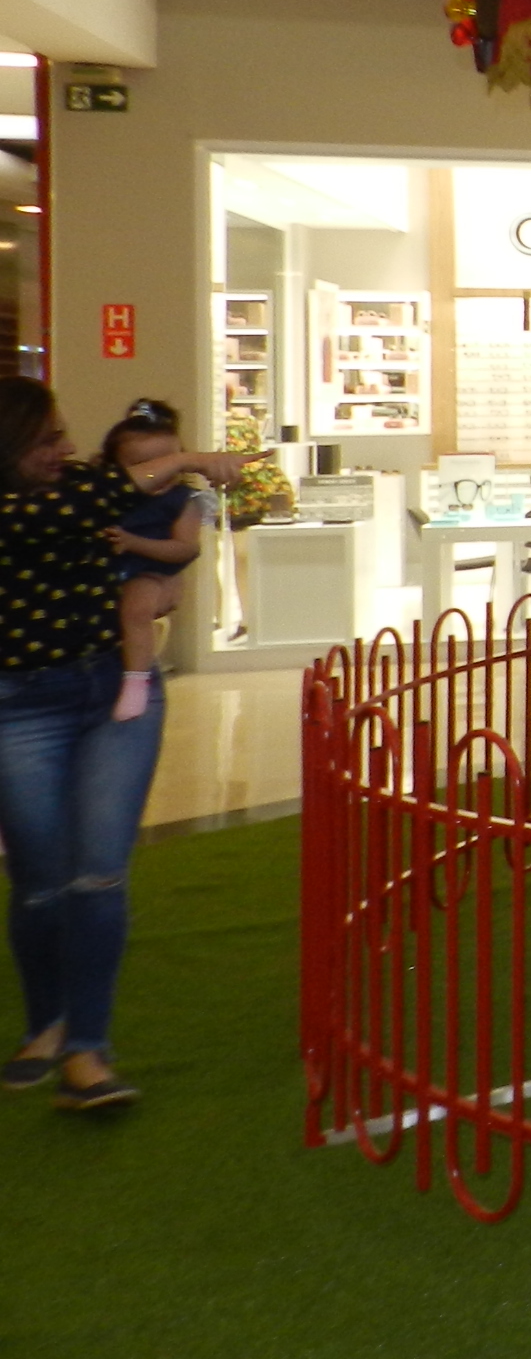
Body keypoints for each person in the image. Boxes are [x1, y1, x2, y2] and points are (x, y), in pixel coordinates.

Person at [0, 379, 256, 1110]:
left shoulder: (82, 487)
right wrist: (191, 459)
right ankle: (46, 1023)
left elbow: (152, 535)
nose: (64, 448)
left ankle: (87, 1049)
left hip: (113, 693)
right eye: (47, 440)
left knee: (98, 875)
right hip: (21, 706)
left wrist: (161, 576)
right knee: (40, 881)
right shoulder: (53, 502)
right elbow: (96, 500)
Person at [90, 401, 206, 724]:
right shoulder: (105, 495)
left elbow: (185, 549)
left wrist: (134, 543)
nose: (158, 475)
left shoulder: (184, 500)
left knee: (135, 610)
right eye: (143, 466)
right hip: (109, 571)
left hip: (150, 569)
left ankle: (136, 680)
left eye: (168, 463)